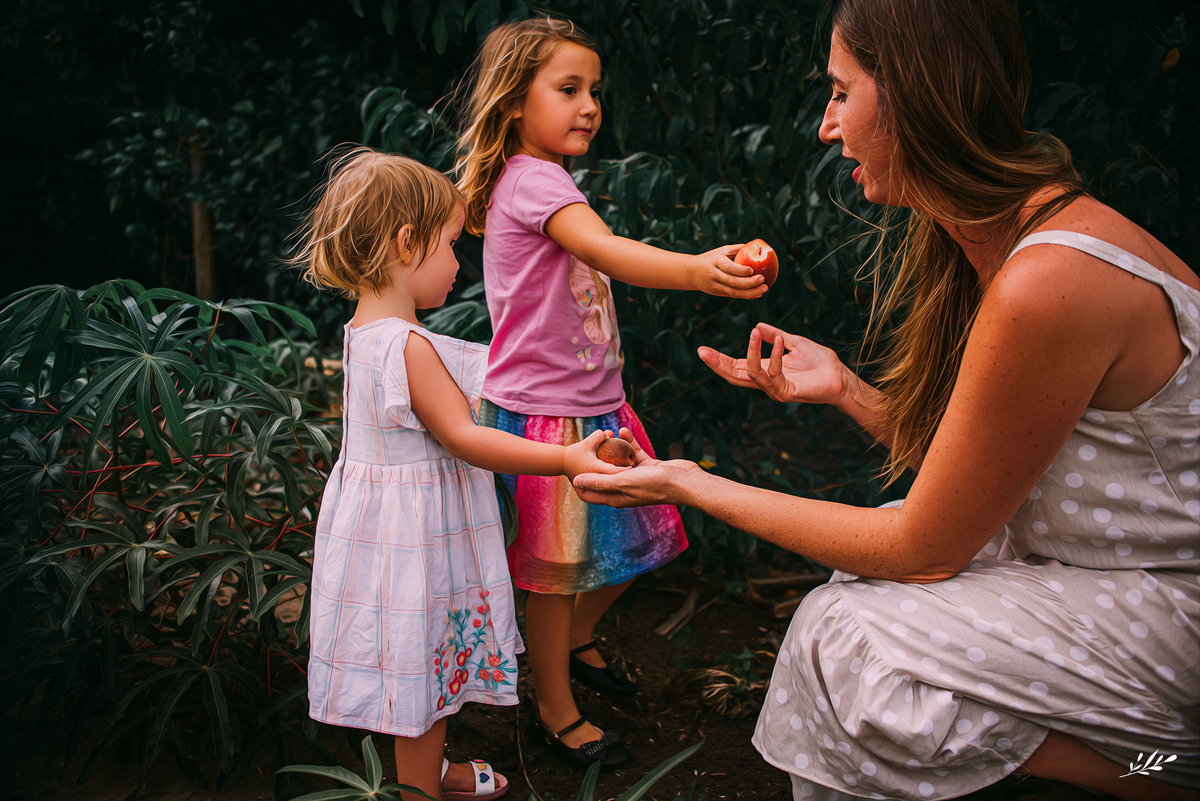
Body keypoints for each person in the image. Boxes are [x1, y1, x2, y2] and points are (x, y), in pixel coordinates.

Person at [572, 0, 1199, 798]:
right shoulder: (1006, 236)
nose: (826, 125)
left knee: (847, 639)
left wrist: (689, 483)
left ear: (914, 91)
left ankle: (1166, 774)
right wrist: (843, 387)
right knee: (861, 600)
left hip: (1177, 609)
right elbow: (982, 475)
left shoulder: (1048, 279)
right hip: (1121, 577)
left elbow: (921, 546)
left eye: (841, 92)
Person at [452, 17, 768, 769]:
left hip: (590, 402)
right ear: (513, 102)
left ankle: (575, 639)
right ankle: (555, 711)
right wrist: (696, 269)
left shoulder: (541, 176)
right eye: (569, 89)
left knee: (649, 530)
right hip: (549, 415)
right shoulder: (535, 179)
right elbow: (607, 251)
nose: (590, 105)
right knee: (555, 577)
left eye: (594, 91)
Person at [292, 147, 626, 801]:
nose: (457, 263)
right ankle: (421, 789)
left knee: (410, 664)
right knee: (425, 666)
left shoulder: (363, 333)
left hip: (382, 535)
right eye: (449, 245)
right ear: (405, 243)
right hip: (418, 542)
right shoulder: (408, 346)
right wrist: (565, 458)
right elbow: (467, 438)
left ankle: (426, 774)